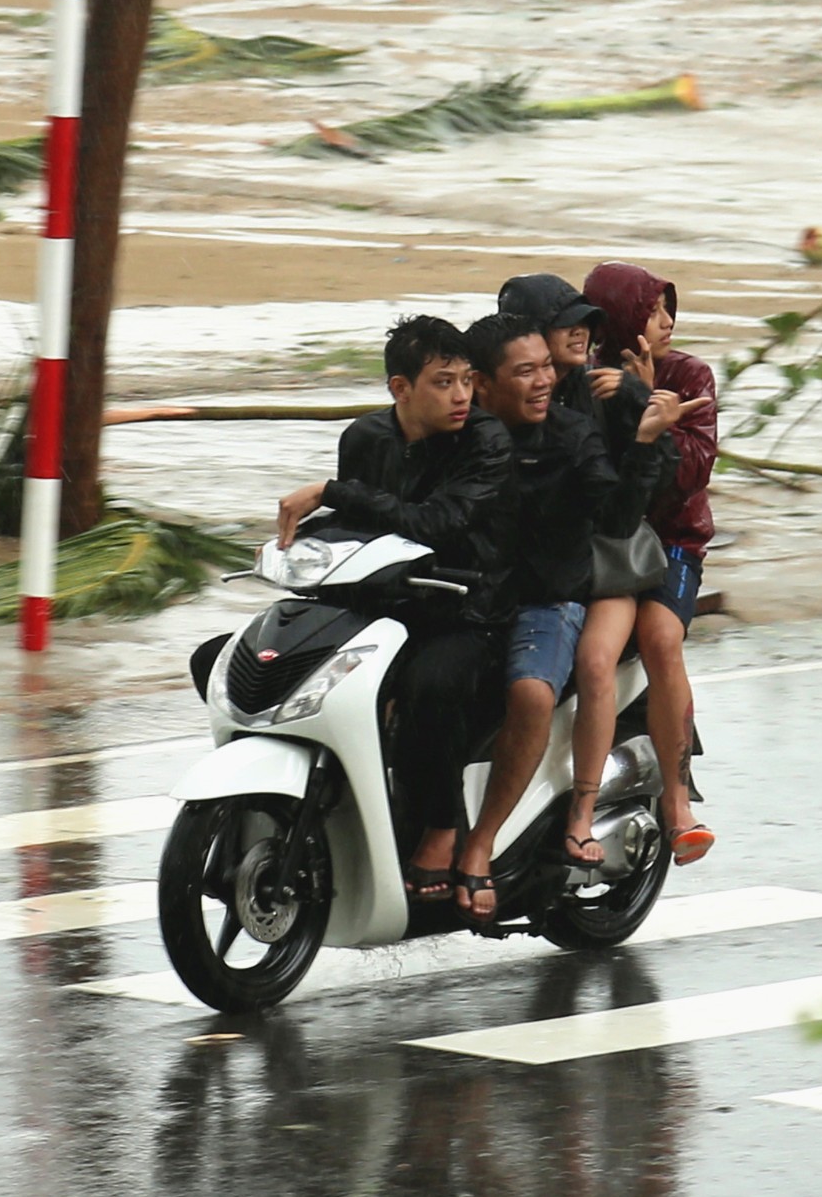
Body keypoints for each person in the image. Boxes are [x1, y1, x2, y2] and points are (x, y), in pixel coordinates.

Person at [269, 315, 518, 903]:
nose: (460, 395)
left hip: (467, 610)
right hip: (386, 605)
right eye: (442, 382)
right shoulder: (365, 439)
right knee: (246, 659)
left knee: (431, 684)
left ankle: (442, 827)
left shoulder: (485, 441)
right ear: (400, 389)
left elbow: (438, 523)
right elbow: (360, 529)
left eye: (465, 380)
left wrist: (330, 492)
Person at [449, 313, 686, 920]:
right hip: (467, 599)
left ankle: (481, 842)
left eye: (545, 368)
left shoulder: (572, 431)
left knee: (533, 691)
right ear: (481, 382)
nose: (542, 381)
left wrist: (645, 438)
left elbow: (614, 517)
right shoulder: (458, 434)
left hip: (550, 601)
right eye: (525, 371)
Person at [495, 273, 697, 869]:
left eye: (587, 322)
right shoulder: (496, 401)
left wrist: (642, 412)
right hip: (536, 574)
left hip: (604, 569)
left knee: (593, 659)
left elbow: (625, 509)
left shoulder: (604, 392)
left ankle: (584, 810)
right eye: (566, 324)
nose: (581, 333)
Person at [581, 261, 719, 866]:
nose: (666, 323)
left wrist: (643, 399)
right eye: (653, 311)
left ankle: (678, 798)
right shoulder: (584, 377)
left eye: (669, 311)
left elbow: (687, 475)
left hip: (670, 540)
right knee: (590, 652)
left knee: (662, 637)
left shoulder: (691, 376)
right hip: (605, 541)